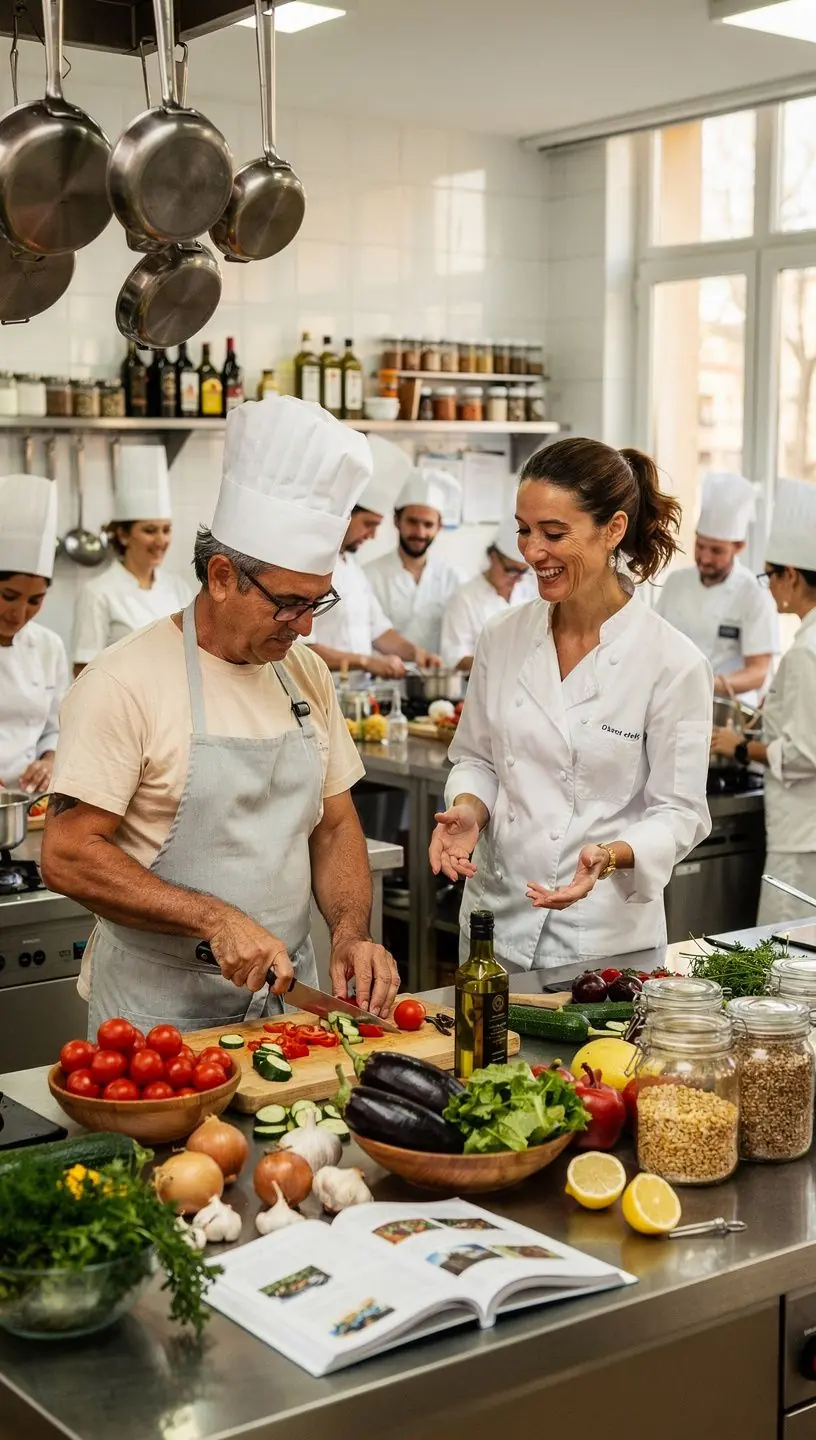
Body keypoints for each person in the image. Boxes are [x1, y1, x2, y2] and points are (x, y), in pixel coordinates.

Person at [41, 397, 400, 1032]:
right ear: (222, 575)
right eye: (288, 603)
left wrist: (351, 932)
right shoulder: (124, 681)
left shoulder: (305, 674)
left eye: (318, 602)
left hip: (286, 1006)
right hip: (156, 1017)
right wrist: (213, 918)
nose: (306, 627)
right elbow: (68, 854)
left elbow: (335, 825)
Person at [429, 437, 713, 970]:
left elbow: (680, 812)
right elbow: (477, 759)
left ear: (613, 529)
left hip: (601, 937)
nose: (532, 551)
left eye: (554, 533)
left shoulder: (673, 662)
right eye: (524, 530)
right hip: (496, 919)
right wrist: (469, 808)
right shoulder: (503, 636)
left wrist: (610, 856)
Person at [711, 478, 816, 925]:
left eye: (769, 575)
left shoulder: (807, 651)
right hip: (805, 831)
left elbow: (804, 754)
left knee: (785, 950)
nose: (768, 586)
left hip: (802, 836)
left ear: (790, 575)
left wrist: (738, 746)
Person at [307, 436, 442, 680]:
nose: (372, 535)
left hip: (357, 694)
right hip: (321, 691)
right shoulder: (310, 564)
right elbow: (303, 649)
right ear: (346, 513)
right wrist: (366, 662)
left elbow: (379, 631)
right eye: (369, 524)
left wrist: (416, 654)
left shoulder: (352, 567)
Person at [656, 471, 777, 706]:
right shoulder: (676, 582)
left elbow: (757, 672)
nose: (705, 558)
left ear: (739, 547)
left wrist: (707, 684)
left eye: (716, 551)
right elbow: (655, 643)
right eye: (700, 546)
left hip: (727, 708)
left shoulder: (754, 594)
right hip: (673, 700)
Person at [72, 445, 192, 674]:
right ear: (123, 535)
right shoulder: (98, 592)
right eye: (150, 530)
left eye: (166, 530)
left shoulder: (178, 588)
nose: (161, 540)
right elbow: (83, 669)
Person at [0, 473, 68, 792]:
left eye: (34, 601)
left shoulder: (48, 646)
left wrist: (50, 760)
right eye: (9, 596)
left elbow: (55, 728)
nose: (19, 613)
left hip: (30, 800)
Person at [365, 468, 461, 656]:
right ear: (396, 521)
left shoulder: (454, 579)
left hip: (437, 674)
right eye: (412, 522)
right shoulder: (369, 576)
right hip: (381, 674)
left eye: (428, 524)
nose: (420, 532)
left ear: (439, 526)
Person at [439, 516, 533, 673]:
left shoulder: (528, 592)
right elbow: (454, 657)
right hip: (480, 682)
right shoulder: (465, 598)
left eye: (523, 571)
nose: (517, 579)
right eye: (511, 570)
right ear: (493, 557)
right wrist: (498, 664)